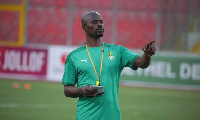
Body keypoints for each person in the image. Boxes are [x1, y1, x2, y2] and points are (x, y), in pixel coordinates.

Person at [62, 11, 156, 120]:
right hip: (86, 117)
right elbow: (67, 90)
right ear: (84, 27)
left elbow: (141, 63)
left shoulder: (118, 51)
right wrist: (82, 90)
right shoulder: (74, 56)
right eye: (94, 22)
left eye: (101, 22)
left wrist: (147, 54)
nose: (100, 24)